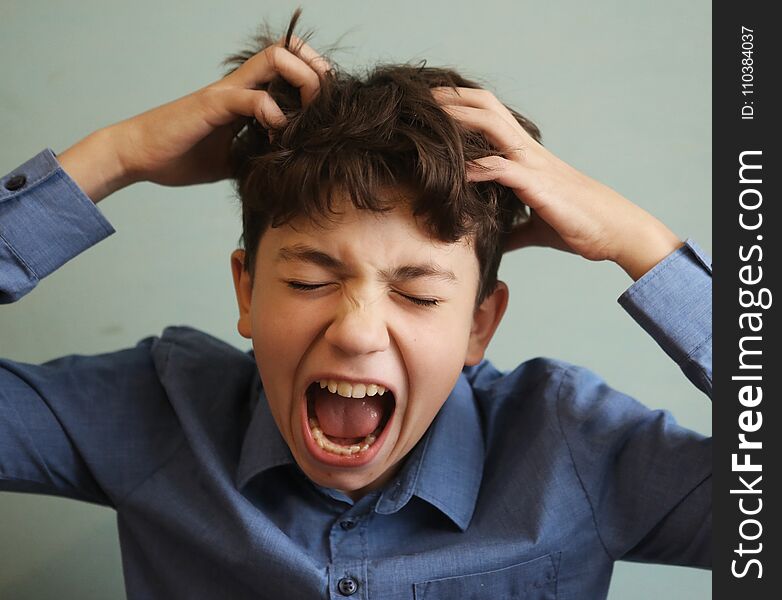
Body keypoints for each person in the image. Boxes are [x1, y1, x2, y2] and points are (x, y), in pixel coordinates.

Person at [0, 12, 711, 599]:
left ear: (479, 323)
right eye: (311, 281)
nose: (358, 331)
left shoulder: (577, 451)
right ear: (246, 291)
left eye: (419, 293)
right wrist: (114, 155)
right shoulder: (159, 413)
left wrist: (641, 244)